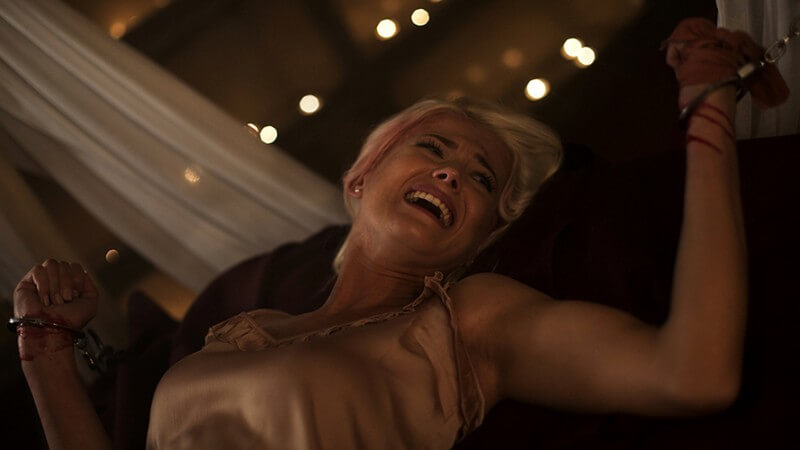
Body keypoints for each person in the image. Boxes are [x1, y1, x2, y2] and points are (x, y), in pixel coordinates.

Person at [10, 18, 788, 450]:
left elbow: (693, 376)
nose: (452, 173)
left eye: (481, 179)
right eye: (435, 148)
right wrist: (45, 351)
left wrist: (708, 115)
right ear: (361, 177)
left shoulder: (470, 321)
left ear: (482, 236)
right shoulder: (238, 330)